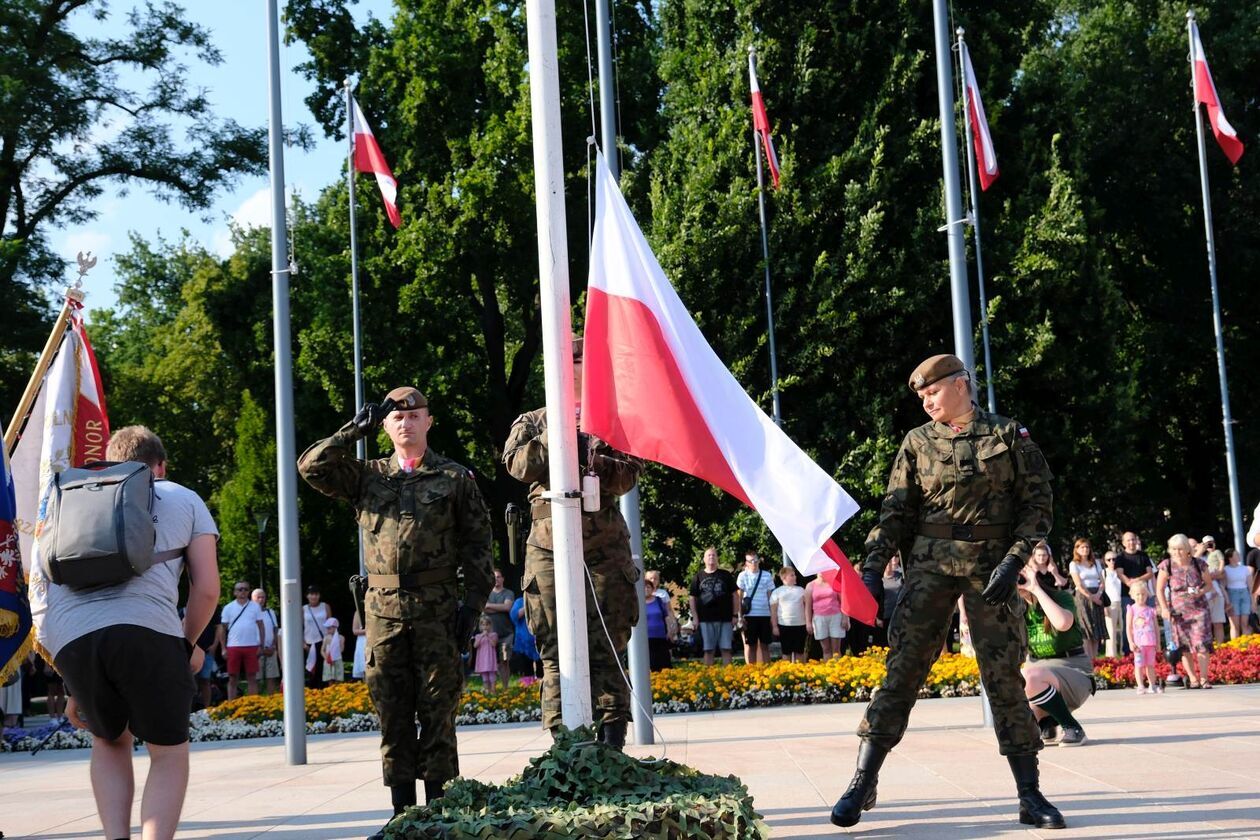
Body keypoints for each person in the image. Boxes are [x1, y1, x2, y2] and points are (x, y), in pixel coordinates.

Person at [832, 354, 1063, 830]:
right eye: (921, 396)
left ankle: (1030, 794)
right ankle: (862, 782)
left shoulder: (1006, 435)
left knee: (1003, 678)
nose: (926, 402)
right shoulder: (917, 442)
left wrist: (1015, 559)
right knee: (901, 673)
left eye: (932, 392)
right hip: (929, 569)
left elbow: (1038, 505)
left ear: (961, 385)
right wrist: (873, 569)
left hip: (991, 570)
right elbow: (894, 511)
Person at [299, 385, 494, 832]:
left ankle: (441, 813)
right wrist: (351, 432)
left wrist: (472, 606)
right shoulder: (366, 476)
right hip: (383, 613)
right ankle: (402, 813)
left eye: (414, 415)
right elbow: (310, 467)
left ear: (428, 421)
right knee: (392, 714)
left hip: (438, 611)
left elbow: (478, 547)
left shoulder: (455, 478)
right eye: (396, 418)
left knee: (439, 712)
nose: (405, 423)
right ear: (384, 426)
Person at [30, 425, 220, 840]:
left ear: (110, 462)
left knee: (110, 741)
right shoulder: (181, 496)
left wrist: (72, 673)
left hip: (71, 637)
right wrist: (185, 645)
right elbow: (206, 588)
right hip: (147, 630)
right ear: (161, 467)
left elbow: (39, 585)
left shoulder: (63, 500)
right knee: (168, 753)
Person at [503, 337, 642, 748]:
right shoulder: (532, 421)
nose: (571, 367)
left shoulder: (613, 420)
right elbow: (518, 465)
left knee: (609, 647)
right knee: (554, 649)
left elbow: (627, 475)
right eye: (564, 360)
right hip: (548, 548)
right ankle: (564, 749)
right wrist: (559, 432)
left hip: (604, 549)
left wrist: (589, 448)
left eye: (579, 359)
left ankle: (612, 745)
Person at [1018, 557, 1094, 747]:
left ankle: (1072, 728)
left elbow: (1062, 623)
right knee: (1016, 724)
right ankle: (1047, 724)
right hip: (1038, 674)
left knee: (1030, 676)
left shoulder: (1061, 598)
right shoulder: (1017, 609)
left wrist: (1035, 589)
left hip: (1074, 671)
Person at [1156, 534, 1213, 690]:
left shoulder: (1199, 564)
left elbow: (1209, 585)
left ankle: (1204, 678)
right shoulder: (1166, 565)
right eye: (1173, 549)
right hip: (1178, 612)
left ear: (1187, 549)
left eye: (1180, 549)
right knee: (1184, 646)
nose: (1177, 552)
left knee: (1201, 644)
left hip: (1199, 609)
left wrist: (1200, 592)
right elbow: (1159, 589)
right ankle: (1193, 678)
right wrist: (1164, 608)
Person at [688, 547, 739, 666]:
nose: (711, 557)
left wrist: (735, 615)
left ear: (717, 559)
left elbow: (735, 595)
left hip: (725, 618)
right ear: (704, 559)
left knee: (726, 648)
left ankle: (729, 676)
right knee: (708, 649)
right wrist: (695, 618)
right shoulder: (698, 576)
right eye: (709, 555)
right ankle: (709, 676)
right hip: (705, 619)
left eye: (714, 555)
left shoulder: (725, 575)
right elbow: (692, 598)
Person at [216, 580, 264, 700]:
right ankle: (231, 704)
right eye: (240, 589)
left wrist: (261, 646)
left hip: (252, 645)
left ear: (249, 591)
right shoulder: (228, 608)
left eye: (245, 589)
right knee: (232, 677)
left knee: (252, 676)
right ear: (235, 592)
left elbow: (261, 626)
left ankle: (253, 704)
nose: (242, 591)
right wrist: (223, 648)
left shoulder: (255, 606)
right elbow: (223, 629)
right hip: (233, 646)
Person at [1067, 538, 1107, 660]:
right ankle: (1087, 660)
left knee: (1096, 630)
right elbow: (1078, 584)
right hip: (1084, 597)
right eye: (1082, 547)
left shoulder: (1096, 563)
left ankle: (1095, 661)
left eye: (1087, 547)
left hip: (1098, 595)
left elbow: (1102, 581)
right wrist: (1091, 597)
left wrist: (1098, 594)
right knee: (1087, 630)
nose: (1085, 549)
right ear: (1077, 549)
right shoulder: (1074, 564)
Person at [1114, 531, 1152, 654]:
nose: (1131, 542)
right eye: (1128, 540)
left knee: (1146, 621)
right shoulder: (1120, 557)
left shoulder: (1143, 555)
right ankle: (1128, 650)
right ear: (1124, 543)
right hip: (1127, 595)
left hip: (1143, 595)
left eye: (1133, 539)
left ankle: (1148, 647)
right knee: (1129, 622)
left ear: (1136, 541)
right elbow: (1120, 573)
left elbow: (1150, 573)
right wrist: (1130, 583)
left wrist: (1137, 580)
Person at [737, 551, 774, 665]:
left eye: (755, 560)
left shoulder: (766, 575)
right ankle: (751, 672)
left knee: (765, 645)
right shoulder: (742, 576)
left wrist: (772, 616)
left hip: (764, 614)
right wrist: (739, 616)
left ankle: (768, 670)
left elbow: (770, 597)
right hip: (749, 615)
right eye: (751, 561)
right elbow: (739, 597)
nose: (754, 563)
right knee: (750, 645)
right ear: (746, 563)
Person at [1126, 583, 1161, 695]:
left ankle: (1152, 685)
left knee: (1150, 665)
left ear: (1147, 595)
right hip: (1138, 644)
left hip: (1150, 643)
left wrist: (1158, 643)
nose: (1140, 597)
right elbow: (1129, 627)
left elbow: (1156, 628)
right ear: (1132, 595)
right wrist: (1131, 642)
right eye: (1138, 594)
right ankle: (1140, 685)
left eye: (1143, 594)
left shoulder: (1151, 610)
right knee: (1139, 665)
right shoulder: (1131, 609)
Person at [769, 566, 808, 663]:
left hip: (800, 625)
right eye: (792, 575)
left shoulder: (801, 590)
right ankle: (788, 674)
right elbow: (773, 611)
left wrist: (808, 622)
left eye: (794, 575)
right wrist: (774, 626)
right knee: (786, 652)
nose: (795, 577)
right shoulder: (776, 592)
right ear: (784, 577)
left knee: (800, 651)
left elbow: (807, 607)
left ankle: (800, 674)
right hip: (784, 625)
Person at [484, 569, 515, 691]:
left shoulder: (508, 593)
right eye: (494, 577)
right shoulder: (486, 593)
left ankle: (505, 688)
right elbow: (483, 608)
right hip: (490, 634)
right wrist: (499, 607)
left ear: (503, 579)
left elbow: (507, 607)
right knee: (490, 662)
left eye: (498, 577)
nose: (496, 579)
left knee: (504, 661)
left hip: (506, 633)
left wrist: (490, 606)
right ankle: (491, 689)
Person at [804, 572, 845, 659]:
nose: (822, 572)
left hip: (836, 616)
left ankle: (838, 670)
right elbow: (808, 606)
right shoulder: (810, 585)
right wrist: (808, 623)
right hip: (819, 618)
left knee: (836, 649)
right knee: (826, 649)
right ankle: (828, 671)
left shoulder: (834, 582)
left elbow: (843, 602)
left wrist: (845, 618)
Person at [301, 585, 331, 689]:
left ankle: (324, 690)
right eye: (311, 594)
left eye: (316, 594)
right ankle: (311, 691)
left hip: (323, 641)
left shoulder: (325, 606)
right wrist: (303, 643)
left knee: (323, 668)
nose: (314, 597)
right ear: (307, 596)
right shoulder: (303, 609)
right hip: (309, 643)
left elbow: (331, 624)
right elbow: (299, 627)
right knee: (310, 668)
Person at [252, 588, 280, 695]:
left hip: (270, 649)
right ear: (252, 598)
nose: (261, 599)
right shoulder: (250, 613)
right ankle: (255, 703)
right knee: (256, 679)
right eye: (258, 597)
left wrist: (273, 645)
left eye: (263, 597)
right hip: (255, 650)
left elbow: (275, 629)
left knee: (271, 677)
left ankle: (270, 702)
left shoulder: (270, 612)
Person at [643, 579, 676, 671]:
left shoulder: (658, 600)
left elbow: (666, 616)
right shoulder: (639, 603)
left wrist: (670, 630)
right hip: (646, 638)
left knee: (664, 662)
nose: (646, 589)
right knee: (651, 662)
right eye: (644, 587)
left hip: (660, 636)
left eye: (648, 587)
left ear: (652, 589)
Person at [1222, 548, 1254, 640]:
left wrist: (1253, 602)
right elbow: (1222, 586)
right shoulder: (1226, 569)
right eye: (1236, 555)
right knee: (1235, 625)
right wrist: (1227, 600)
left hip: (1244, 594)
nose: (1238, 556)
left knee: (1245, 623)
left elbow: (1251, 586)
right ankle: (1235, 649)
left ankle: (1247, 647)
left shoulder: (1245, 569)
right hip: (1232, 595)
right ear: (1230, 558)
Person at [509, 595, 542, 680]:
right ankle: (528, 689)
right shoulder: (519, 601)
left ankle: (541, 688)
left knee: (541, 670)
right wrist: (528, 606)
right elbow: (514, 616)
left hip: (540, 641)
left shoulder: (542, 599)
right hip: (524, 643)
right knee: (527, 670)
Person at [1102, 552, 1123, 657]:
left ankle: (1124, 653)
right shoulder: (1103, 573)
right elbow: (1101, 590)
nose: (1112, 561)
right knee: (1111, 631)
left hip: (1122, 602)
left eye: (1114, 559)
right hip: (1110, 604)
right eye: (1109, 559)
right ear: (1105, 561)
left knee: (1124, 629)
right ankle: (1111, 656)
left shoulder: (1121, 572)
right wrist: (1104, 606)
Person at [1204, 551, 1229, 645]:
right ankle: (1208, 649)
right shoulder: (1190, 561)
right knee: (1204, 626)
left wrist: (1214, 575)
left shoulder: (1209, 557)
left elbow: (1222, 574)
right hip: (1201, 597)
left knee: (1218, 623)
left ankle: (1219, 650)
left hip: (1217, 595)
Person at [472, 616, 499, 693]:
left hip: (490, 659)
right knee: (485, 678)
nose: (485, 627)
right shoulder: (478, 636)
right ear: (480, 626)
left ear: (490, 625)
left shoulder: (494, 635)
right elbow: (475, 645)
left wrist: (488, 636)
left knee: (492, 677)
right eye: (483, 625)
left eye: (487, 625)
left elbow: (494, 644)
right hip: (482, 660)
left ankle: (493, 691)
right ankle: (487, 691)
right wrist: (481, 636)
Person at [321, 617, 345, 683]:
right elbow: (322, 650)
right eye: (327, 628)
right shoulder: (326, 638)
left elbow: (342, 649)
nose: (328, 630)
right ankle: (330, 690)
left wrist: (335, 655)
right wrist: (326, 658)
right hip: (328, 660)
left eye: (329, 628)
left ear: (335, 628)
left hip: (337, 659)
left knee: (338, 677)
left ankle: (337, 689)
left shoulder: (341, 638)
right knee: (329, 678)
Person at [351, 611, 368, 681]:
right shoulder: (358, 612)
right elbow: (355, 630)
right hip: (363, 641)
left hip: (376, 639)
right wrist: (367, 630)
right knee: (364, 667)